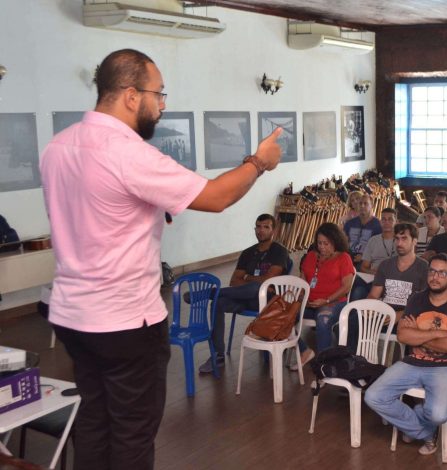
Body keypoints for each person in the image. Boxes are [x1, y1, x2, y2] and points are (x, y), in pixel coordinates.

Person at [39, 49, 282, 469]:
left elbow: (93, 211)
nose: (163, 104)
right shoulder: (127, 152)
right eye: (159, 93)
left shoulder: (58, 147)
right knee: (133, 433)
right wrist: (259, 162)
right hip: (124, 321)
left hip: (72, 317)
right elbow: (217, 196)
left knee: (94, 426)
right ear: (131, 95)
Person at [364, 254, 447, 456]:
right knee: (374, 396)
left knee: (439, 414)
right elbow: (403, 336)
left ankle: (416, 423)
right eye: (432, 271)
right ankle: (425, 432)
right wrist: (437, 334)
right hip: (413, 362)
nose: (435, 277)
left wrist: (419, 335)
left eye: (442, 273)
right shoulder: (416, 299)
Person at [198, 213, 291, 374]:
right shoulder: (247, 253)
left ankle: (210, 293)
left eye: (266, 227)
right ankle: (217, 355)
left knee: (257, 288)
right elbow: (234, 281)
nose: (261, 231)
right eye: (258, 227)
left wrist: (248, 277)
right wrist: (254, 280)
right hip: (244, 297)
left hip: (267, 302)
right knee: (218, 303)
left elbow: (268, 281)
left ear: (273, 230)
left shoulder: (279, 251)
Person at [299, 223, 355, 356]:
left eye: (326, 243)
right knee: (284, 315)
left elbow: (347, 286)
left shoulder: (343, 258)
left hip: (334, 302)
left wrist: (326, 300)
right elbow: (302, 280)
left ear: (335, 241)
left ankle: (324, 363)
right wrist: (301, 296)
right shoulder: (311, 256)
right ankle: (304, 351)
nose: (322, 247)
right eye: (319, 243)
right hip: (309, 303)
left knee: (323, 319)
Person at [367, 223, 429, 324]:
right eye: (397, 238)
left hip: (409, 316)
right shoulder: (385, 265)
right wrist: (370, 307)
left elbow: (424, 302)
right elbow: (374, 295)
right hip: (383, 313)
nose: (399, 243)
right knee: (349, 324)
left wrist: (400, 315)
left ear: (414, 241)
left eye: (404, 239)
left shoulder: (424, 267)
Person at [343, 193, 381, 266]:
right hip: (349, 260)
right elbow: (343, 242)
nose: (362, 206)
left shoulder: (378, 225)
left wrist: (364, 256)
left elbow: (380, 247)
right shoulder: (349, 224)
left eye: (365, 203)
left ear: (371, 206)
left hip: (368, 262)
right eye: (360, 203)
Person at [360, 208, 398, 275]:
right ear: (380, 222)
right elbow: (363, 267)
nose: (386, 222)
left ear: (396, 222)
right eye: (383, 219)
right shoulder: (373, 240)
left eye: (390, 219)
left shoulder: (401, 240)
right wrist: (375, 274)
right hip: (374, 277)